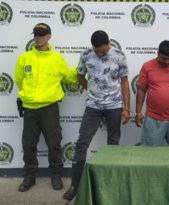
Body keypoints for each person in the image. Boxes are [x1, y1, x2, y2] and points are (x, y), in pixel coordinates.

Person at [63, 30, 130, 201]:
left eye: (103, 51)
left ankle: (110, 184)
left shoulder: (119, 55)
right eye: (97, 51)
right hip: (93, 106)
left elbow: (124, 82)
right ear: (92, 47)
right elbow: (79, 76)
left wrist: (126, 108)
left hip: (115, 106)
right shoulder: (86, 55)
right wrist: (92, 91)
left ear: (109, 44)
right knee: (81, 144)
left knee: (112, 145)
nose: (100, 54)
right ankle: (74, 186)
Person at [14, 23, 77, 192]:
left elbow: (70, 77)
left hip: (49, 107)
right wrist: (28, 95)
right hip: (30, 107)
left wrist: (84, 67)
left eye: (42, 34)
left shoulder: (57, 59)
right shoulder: (25, 58)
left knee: (54, 142)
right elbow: (19, 80)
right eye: (36, 34)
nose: (38, 38)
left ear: (49, 36)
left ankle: (56, 176)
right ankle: (29, 177)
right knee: (28, 144)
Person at [135, 40, 169, 146]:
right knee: (148, 154)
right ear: (158, 53)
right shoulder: (147, 66)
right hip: (153, 118)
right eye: (163, 58)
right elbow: (141, 89)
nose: (166, 61)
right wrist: (138, 113)